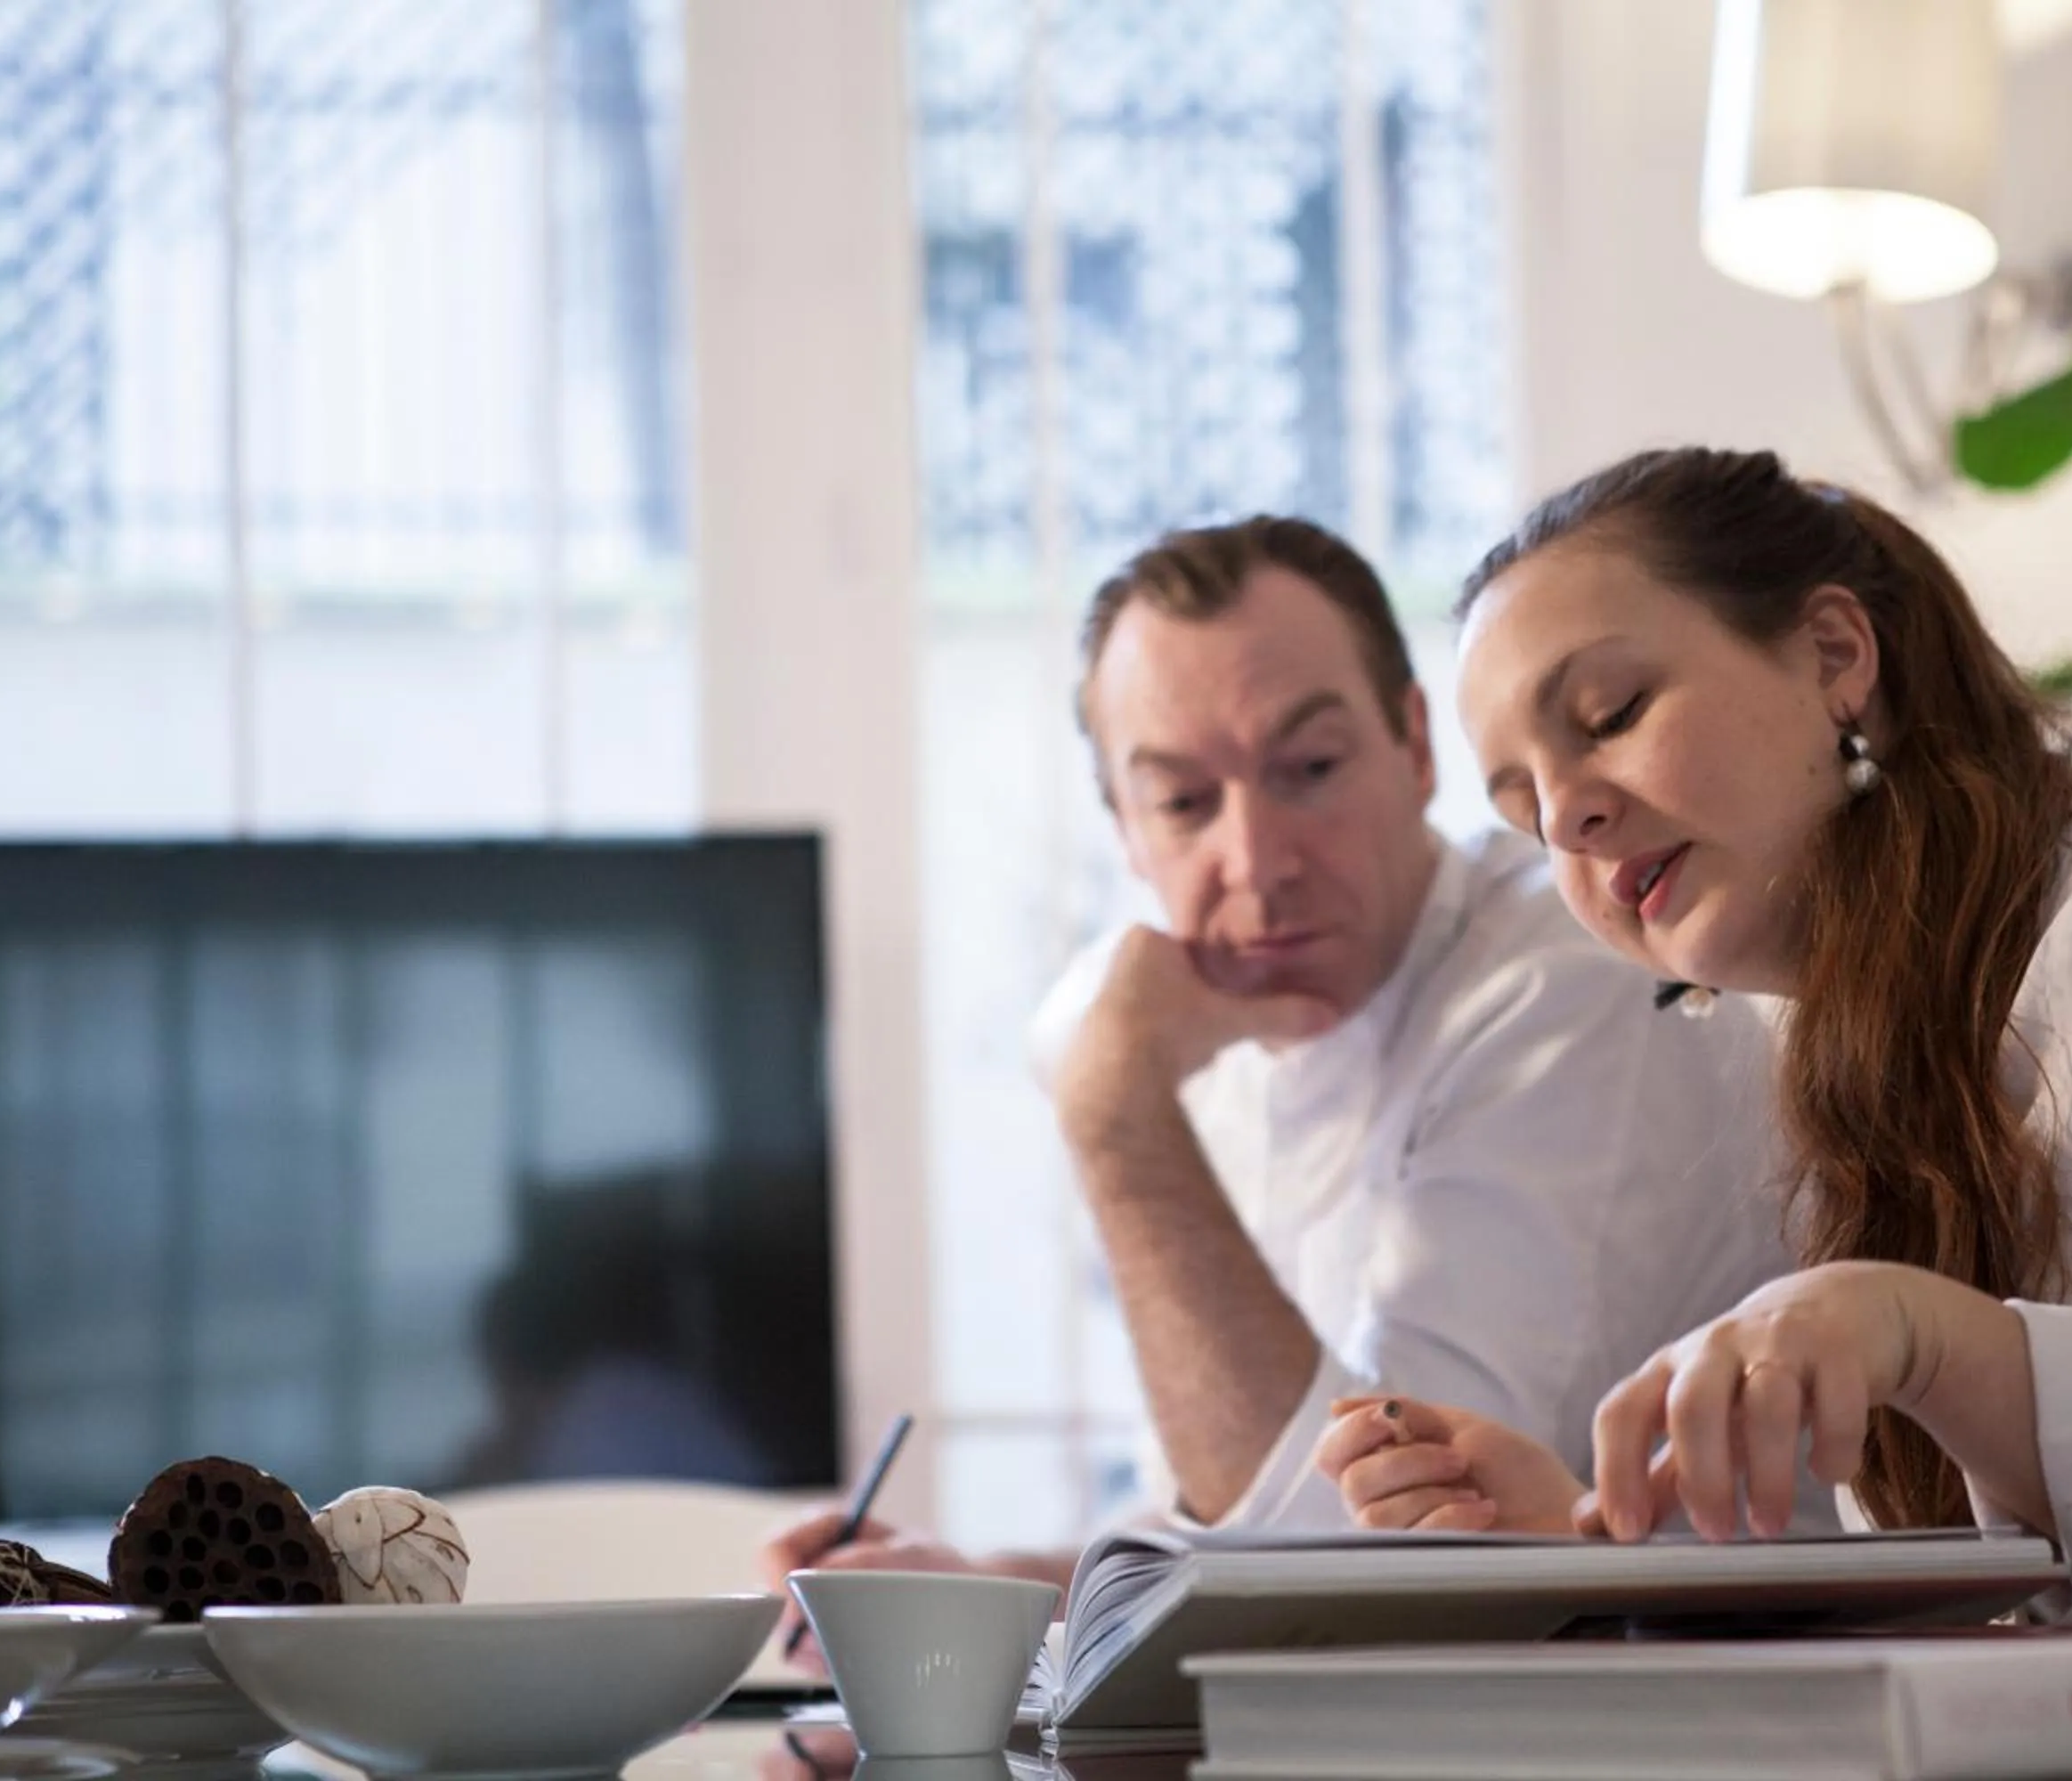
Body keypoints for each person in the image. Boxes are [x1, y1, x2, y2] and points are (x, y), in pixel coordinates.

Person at [1316, 447, 2072, 1732]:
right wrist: (1597, 1558)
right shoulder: (1844, 1074)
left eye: (1607, 716)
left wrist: (1946, 1346)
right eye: (1523, 806)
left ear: (1834, 655)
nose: (1569, 820)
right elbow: (2009, 1617)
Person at [764, 514, 1793, 1633]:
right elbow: (1239, 1524)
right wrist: (995, 1584)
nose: (1255, 861)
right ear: (1124, 830)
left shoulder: (1571, 980)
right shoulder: (1216, 1041)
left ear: (1412, 746)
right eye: (1184, 802)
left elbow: (1385, 1562)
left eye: (1308, 768)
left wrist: (1112, 1114)